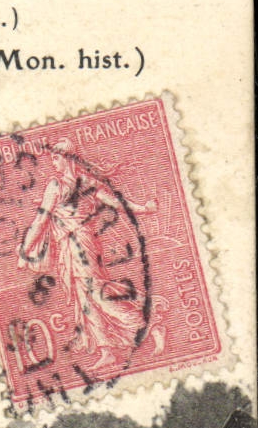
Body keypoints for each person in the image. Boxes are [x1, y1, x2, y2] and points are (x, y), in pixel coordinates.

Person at [17, 141, 162, 364]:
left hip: (78, 245)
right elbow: (116, 201)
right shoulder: (86, 182)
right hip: (78, 245)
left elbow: (40, 221)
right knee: (84, 297)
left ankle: (146, 324)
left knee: (96, 293)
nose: (53, 162)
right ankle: (106, 351)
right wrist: (142, 208)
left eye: (56, 157)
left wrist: (26, 250)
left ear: (67, 158)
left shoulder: (56, 185)